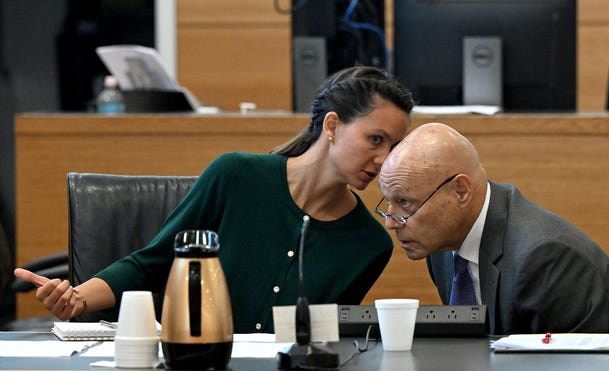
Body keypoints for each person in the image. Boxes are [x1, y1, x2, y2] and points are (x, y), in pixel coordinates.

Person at [14, 66, 415, 333]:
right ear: (332, 126)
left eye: (394, 146)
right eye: (375, 139)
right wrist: (78, 299)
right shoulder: (237, 176)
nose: (385, 159)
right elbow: (153, 263)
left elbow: (329, 338)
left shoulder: (371, 243)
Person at [375, 122, 609, 335]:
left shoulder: (545, 258)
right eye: (388, 202)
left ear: (461, 191)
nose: (390, 221)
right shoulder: (440, 244)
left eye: (405, 203)